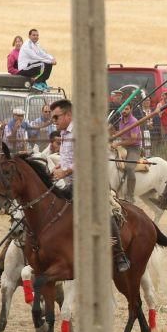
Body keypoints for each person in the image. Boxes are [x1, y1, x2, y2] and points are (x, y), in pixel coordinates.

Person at [51, 99, 130, 272]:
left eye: (56, 117)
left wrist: (65, 172)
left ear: (68, 115)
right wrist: (60, 167)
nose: (54, 121)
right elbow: (70, 159)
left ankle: (119, 255)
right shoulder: (65, 133)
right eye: (53, 118)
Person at [111, 103, 143, 203]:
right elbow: (122, 135)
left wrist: (118, 143)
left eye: (127, 109)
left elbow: (133, 140)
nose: (124, 111)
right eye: (123, 109)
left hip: (134, 148)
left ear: (131, 109)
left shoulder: (134, 121)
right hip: (123, 146)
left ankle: (130, 195)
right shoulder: (121, 120)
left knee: (129, 167)